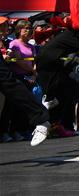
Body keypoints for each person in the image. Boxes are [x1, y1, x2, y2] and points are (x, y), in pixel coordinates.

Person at [0, 17, 50, 146]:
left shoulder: (28, 45)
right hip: (20, 75)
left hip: (25, 77)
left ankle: (41, 118)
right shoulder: (14, 43)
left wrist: (33, 73)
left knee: (8, 83)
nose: (6, 28)